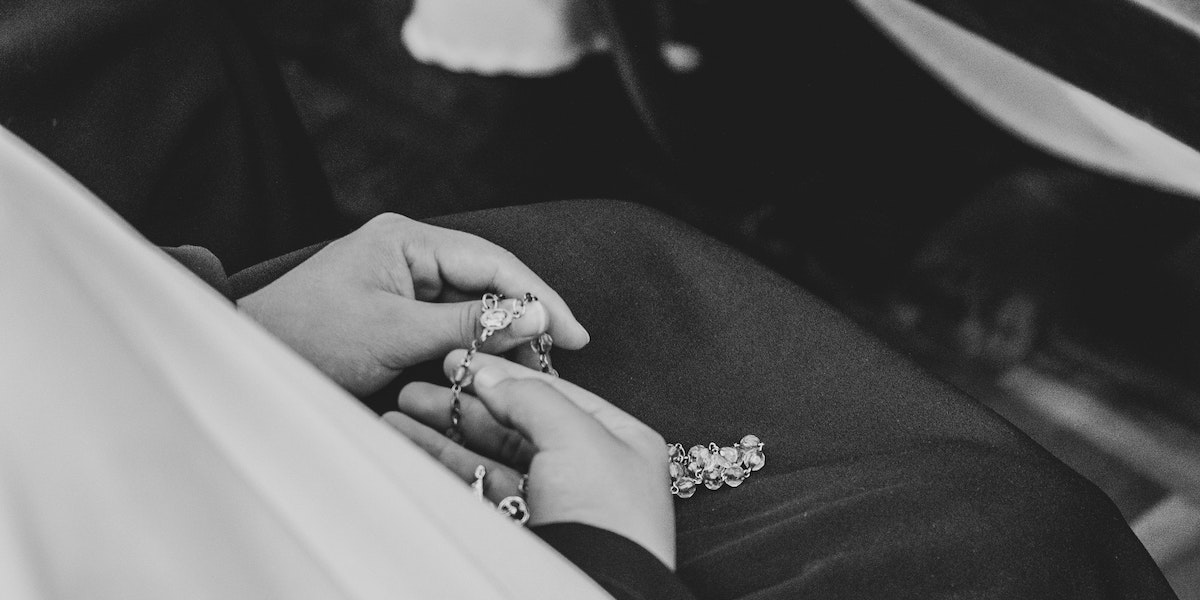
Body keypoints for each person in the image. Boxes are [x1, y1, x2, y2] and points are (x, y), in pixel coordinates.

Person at [0, 2, 1178, 598]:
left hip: (116, 395)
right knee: (991, 546)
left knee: (613, 282)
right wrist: (601, 556)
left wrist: (225, 330)